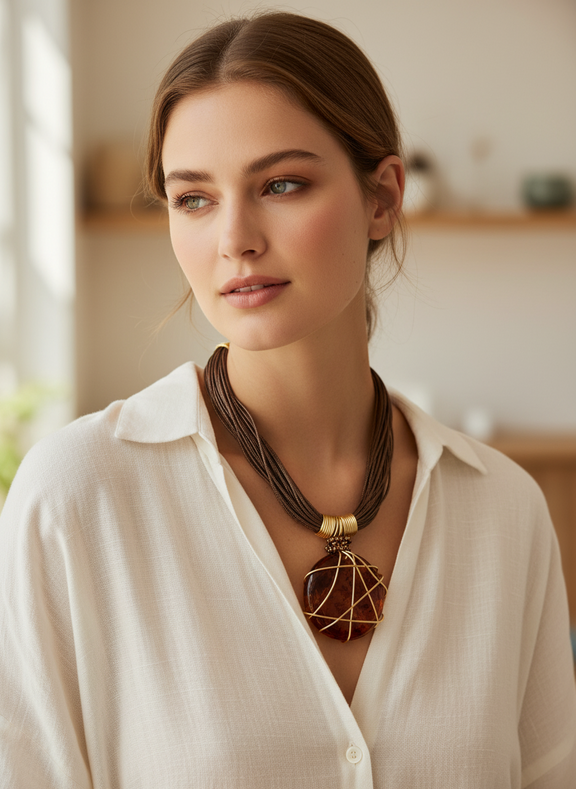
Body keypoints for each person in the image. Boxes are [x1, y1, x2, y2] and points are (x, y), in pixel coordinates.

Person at [1, 11, 574, 789]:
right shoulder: (78, 498)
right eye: (193, 198)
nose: (234, 238)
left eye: (281, 185)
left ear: (383, 197)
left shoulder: (503, 511)